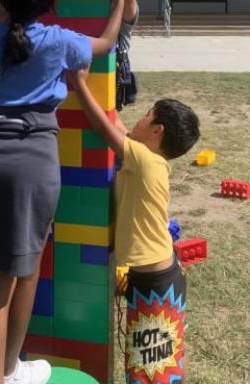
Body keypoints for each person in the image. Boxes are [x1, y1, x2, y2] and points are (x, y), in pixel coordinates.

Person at [0, 0, 124, 384]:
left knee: (0, 280)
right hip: (37, 158)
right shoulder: (60, 40)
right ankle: (6, 370)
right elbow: (104, 46)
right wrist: (119, 3)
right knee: (27, 267)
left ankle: (7, 372)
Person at [69, 70, 200, 384]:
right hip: (157, 273)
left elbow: (103, 127)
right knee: (152, 364)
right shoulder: (149, 158)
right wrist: (102, 87)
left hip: (155, 281)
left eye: (146, 115)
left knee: (149, 368)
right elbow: (117, 125)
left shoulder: (143, 159)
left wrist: (80, 85)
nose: (138, 119)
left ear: (157, 130)